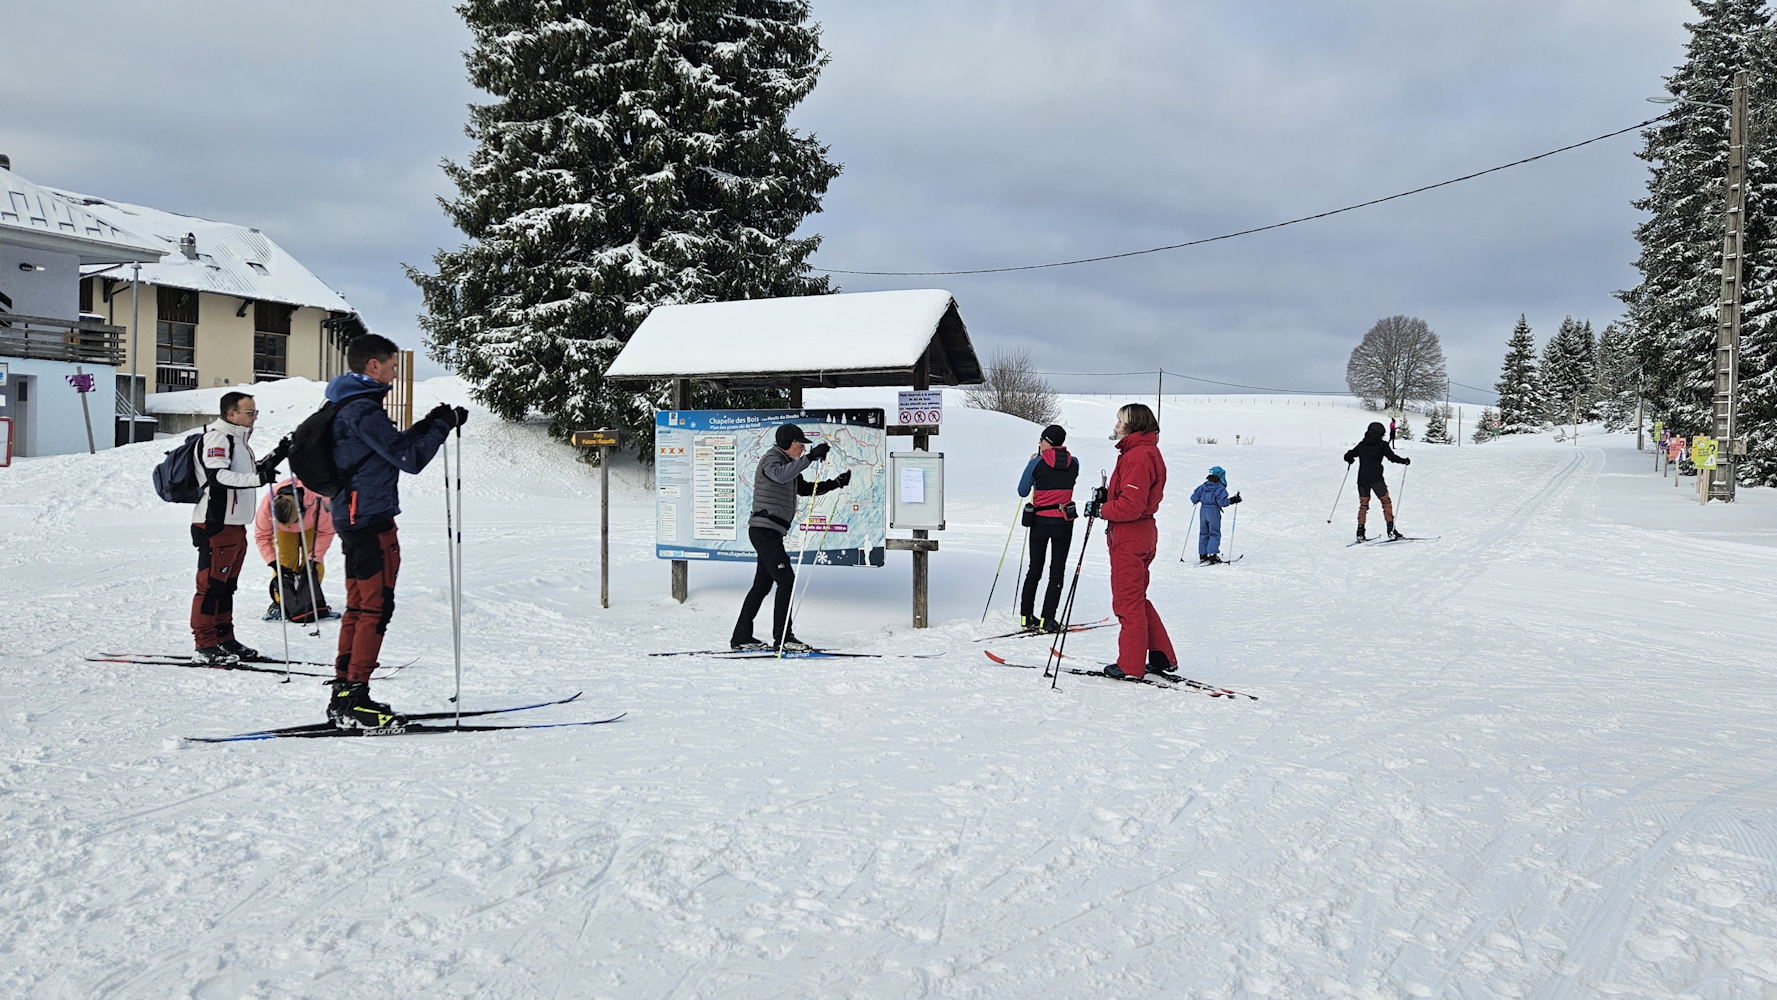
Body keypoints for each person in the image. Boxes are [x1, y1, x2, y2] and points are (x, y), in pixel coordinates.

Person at [326, 334, 460, 728]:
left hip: (354, 516)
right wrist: (442, 428)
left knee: (359, 606)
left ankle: (345, 693)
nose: (395, 373)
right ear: (374, 365)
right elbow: (410, 459)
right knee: (375, 607)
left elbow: (391, 447)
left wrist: (428, 424)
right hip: (369, 520)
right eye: (392, 366)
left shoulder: (345, 403)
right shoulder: (363, 410)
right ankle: (355, 698)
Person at [730, 423, 852, 652]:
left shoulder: (787, 464)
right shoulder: (772, 460)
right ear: (787, 442)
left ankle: (741, 637)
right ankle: (784, 638)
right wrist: (811, 458)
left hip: (770, 532)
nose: (803, 449)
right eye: (800, 445)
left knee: (762, 585)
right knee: (786, 580)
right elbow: (779, 476)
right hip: (764, 531)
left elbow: (804, 488)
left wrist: (835, 484)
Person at [191, 392, 285, 665]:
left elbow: (247, 472)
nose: (254, 417)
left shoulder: (239, 441)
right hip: (215, 523)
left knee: (226, 587)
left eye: (255, 412)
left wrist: (278, 454)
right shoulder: (218, 438)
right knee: (210, 587)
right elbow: (217, 475)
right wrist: (258, 479)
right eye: (250, 412)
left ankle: (225, 638)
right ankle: (205, 644)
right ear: (231, 414)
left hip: (235, 525)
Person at [1088, 403, 1177, 681]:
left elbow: (1131, 506)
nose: (1116, 426)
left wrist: (1102, 510)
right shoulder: (1140, 452)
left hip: (1130, 535)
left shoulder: (1139, 455)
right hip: (1138, 533)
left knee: (1127, 603)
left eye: (1120, 421)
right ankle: (1161, 655)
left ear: (1133, 424)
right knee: (1137, 598)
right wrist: (1106, 498)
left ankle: (1130, 665)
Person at [1015, 423, 1080, 632]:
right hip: (1063, 523)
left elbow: (1022, 491)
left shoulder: (1036, 463)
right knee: (1057, 571)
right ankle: (1048, 619)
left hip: (1040, 522)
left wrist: (1034, 468)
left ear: (1048, 443)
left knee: (1035, 569)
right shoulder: (1074, 463)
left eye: (1042, 439)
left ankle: (1026, 617)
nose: (1039, 442)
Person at [255, 475, 336, 621]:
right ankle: (282, 602)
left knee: (311, 563)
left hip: (311, 524)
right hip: (282, 529)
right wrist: (273, 562)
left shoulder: (319, 500)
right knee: (285, 561)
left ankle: (310, 598)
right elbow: (262, 536)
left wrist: (314, 559)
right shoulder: (268, 504)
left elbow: (327, 532)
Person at [1343, 421, 1410, 541]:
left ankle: (1360, 532)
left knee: (1363, 505)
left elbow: (1349, 455)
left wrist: (1349, 458)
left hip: (1362, 479)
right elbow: (1392, 458)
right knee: (1386, 502)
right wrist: (1404, 461)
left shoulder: (1362, 444)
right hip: (1376, 479)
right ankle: (1391, 530)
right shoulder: (1382, 445)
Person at [1187, 466, 1242, 563]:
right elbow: (1222, 502)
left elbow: (1194, 499)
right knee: (1214, 532)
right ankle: (1212, 554)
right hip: (1213, 511)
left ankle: (1203, 554)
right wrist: (1233, 500)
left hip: (1203, 511)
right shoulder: (1219, 488)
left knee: (1203, 532)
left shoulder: (1202, 487)